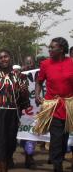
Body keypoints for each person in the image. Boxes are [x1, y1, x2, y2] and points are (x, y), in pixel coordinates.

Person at [34, 37, 73, 172]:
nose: (49, 50)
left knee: (64, 137)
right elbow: (39, 81)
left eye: (52, 47)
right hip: (53, 105)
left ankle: (58, 157)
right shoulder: (45, 64)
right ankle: (58, 166)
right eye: (49, 47)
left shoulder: (71, 63)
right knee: (56, 137)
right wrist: (37, 95)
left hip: (68, 106)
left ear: (61, 49)